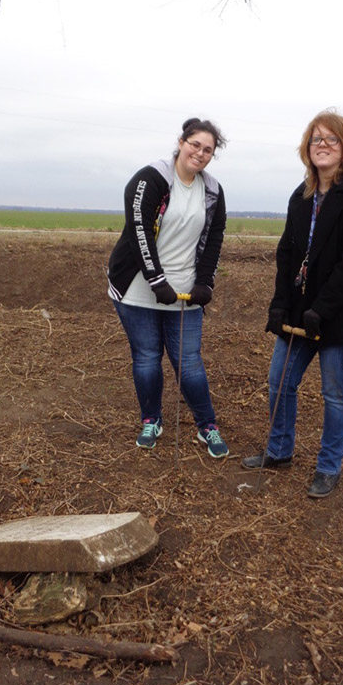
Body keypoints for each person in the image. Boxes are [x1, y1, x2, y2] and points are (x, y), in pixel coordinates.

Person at [242, 110, 343, 497]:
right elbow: (287, 253)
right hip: (300, 313)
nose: (322, 145)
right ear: (307, 148)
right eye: (316, 139)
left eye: (331, 139)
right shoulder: (300, 196)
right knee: (279, 381)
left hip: (341, 314)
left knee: (335, 393)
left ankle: (328, 466)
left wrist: (321, 309)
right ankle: (280, 450)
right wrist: (279, 304)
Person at [108, 117, 229, 458]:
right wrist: (156, 280)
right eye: (195, 145)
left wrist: (205, 281)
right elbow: (139, 230)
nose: (200, 153)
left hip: (185, 291)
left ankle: (207, 426)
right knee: (147, 358)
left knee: (188, 362)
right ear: (181, 141)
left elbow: (214, 238)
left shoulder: (212, 191)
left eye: (208, 150)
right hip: (138, 286)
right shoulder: (152, 178)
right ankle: (151, 420)